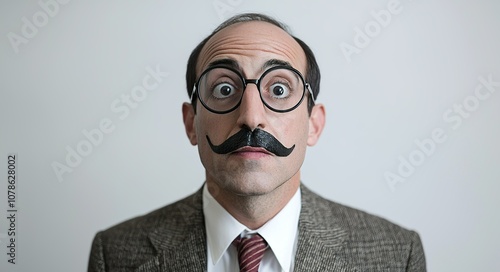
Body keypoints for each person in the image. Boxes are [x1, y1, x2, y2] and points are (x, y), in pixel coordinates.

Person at [88, 13, 426, 272]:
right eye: (224, 88)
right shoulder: (115, 253)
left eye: (279, 90)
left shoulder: (397, 254)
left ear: (313, 124)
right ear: (191, 123)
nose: (251, 117)